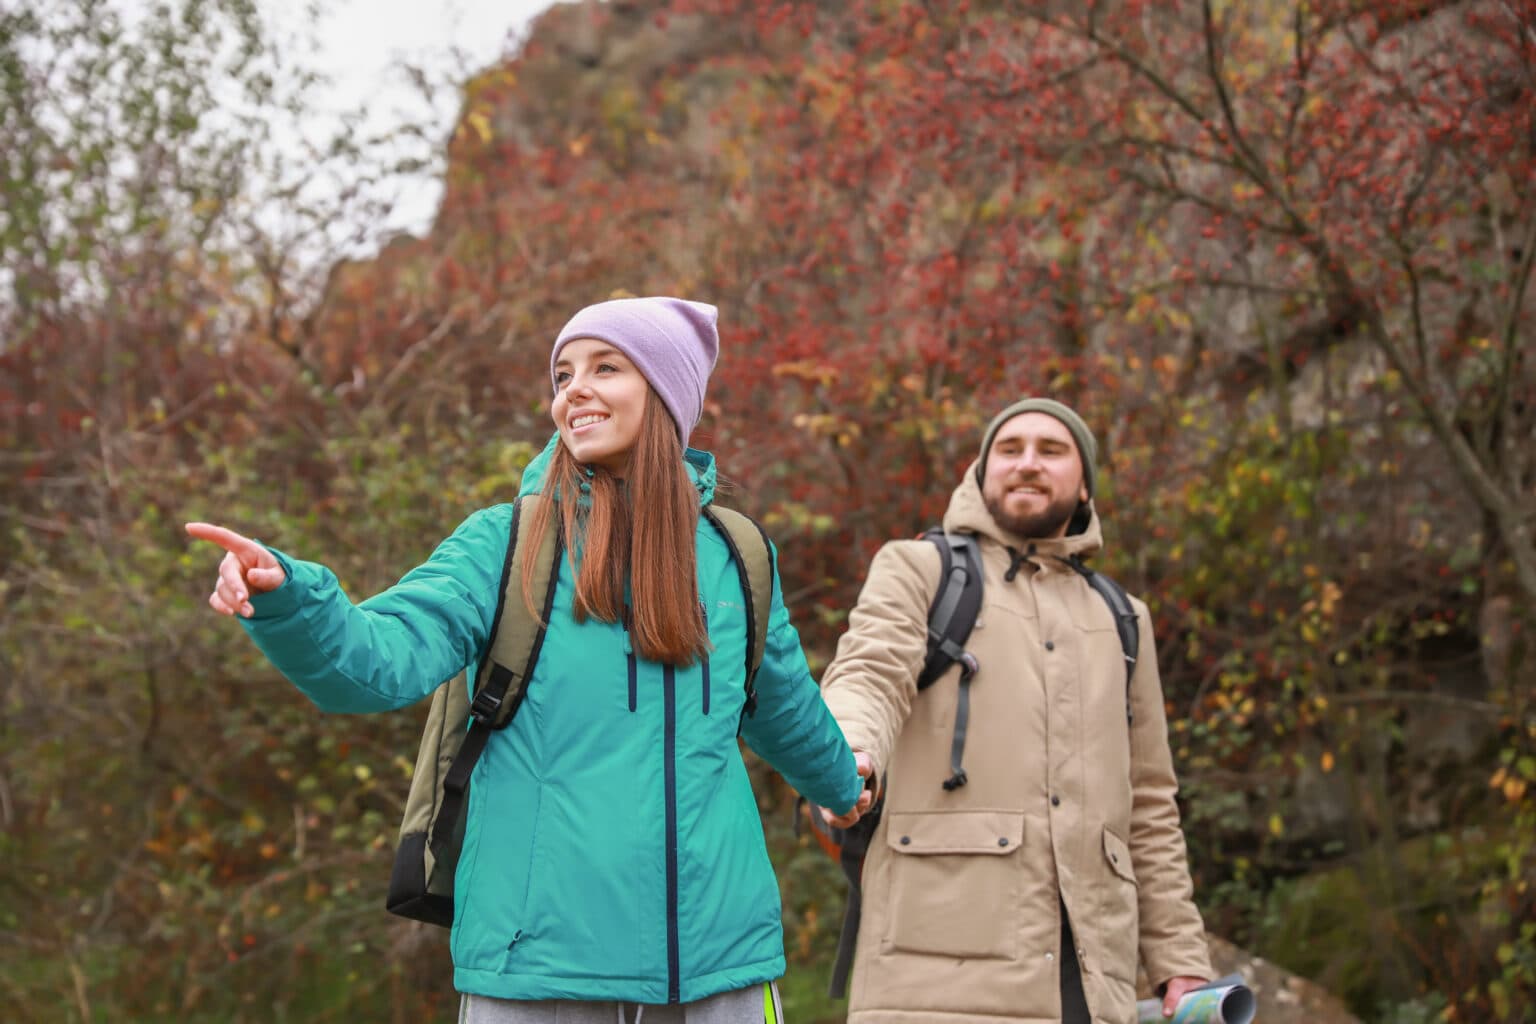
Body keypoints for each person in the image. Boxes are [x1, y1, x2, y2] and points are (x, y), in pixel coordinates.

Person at [187, 297, 872, 1024]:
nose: (572, 390)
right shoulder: (506, 543)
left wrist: (841, 784)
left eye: (605, 367)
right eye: (564, 373)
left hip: (721, 970)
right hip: (539, 976)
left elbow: (785, 709)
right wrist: (289, 597)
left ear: (668, 393)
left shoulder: (738, 555)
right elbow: (376, 660)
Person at [817, 398, 1213, 1023]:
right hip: (931, 980)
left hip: (1092, 985)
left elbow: (1150, 805)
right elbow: (870, 672)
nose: (1028, 463)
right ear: (980, 472)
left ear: (1083, 483)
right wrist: (845, 756)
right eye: (1010, 449)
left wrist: (1180, 957)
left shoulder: (1124, 618)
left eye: (1051, 451)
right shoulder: (920, 568)